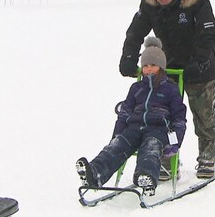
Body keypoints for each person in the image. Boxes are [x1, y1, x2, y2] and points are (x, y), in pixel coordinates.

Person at [119, 0, 215, 179]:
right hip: (167, 68)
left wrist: (200, 62)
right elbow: (135, 32)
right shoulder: (150, 5)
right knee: (163, 115)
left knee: (203, 115)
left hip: (199, 69)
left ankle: (207, 156)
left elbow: (210, 35)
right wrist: (128, 57)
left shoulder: (197, 3)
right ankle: (166, 155)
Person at [76, 37, 187, 192]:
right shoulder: (136, 88)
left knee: (151, 147)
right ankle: (95, 173)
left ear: (161, 67)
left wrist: (175, 142)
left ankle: (146, 176)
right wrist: (117, 135)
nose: (148, 69)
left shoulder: (170, 89)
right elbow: (125, 113)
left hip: (158, 129)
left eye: (153, 65)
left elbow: (179, 118)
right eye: (145, 66)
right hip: (134, 127)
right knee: (117, 146)